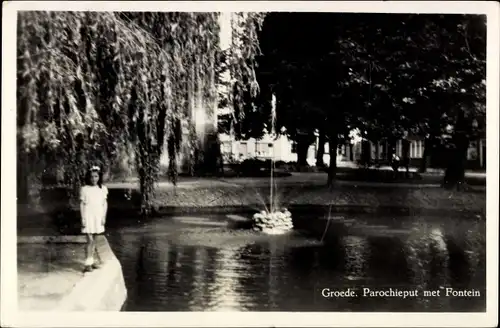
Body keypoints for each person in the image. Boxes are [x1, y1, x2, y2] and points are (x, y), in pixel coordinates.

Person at [80, 165, 108, 272]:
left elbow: (104, 204)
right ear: (89, 177)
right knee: (90, 241)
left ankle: (91, 261)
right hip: (88, 216)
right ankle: (87, 264)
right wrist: (83, 218)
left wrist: (103, 217)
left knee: (94, 241)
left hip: (98, 216)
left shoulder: (103, 189)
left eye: (96, 176)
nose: (94, 179)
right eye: (92, 177)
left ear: (99, 177)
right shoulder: (84, 189)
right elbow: (82, 204)